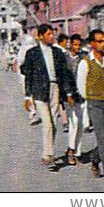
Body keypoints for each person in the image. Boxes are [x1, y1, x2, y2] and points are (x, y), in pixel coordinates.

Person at [22, 24, 75, 171]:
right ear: (40, 36)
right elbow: (28, 75)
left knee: (53, 122)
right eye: (49, 34)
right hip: (39, 91)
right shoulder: (32, 53)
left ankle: (47, 152)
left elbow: (64, 74)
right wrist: (27, 96)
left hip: (55, 89)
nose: (52, 37)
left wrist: (69, 93)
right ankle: (49, 156)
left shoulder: (58, 52)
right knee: (47, 123)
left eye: (53, 34)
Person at [78, 29, 104, 184]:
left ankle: (95, 158)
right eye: (99, 41)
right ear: (92, 44)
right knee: (102, 137)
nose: (103, 44)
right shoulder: (85, 63)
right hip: (94, 104)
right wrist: (90, 100)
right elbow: (81, 86)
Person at [65, 34, 86, 165]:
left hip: (81, 95)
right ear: (71, 44)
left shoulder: (84, 57)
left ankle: (77, 151)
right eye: (75, 45)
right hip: (69, 96)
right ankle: (71, 151)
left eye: (79, 45)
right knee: (74, 123)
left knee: (81, 124)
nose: (77, 47)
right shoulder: (64, 58)